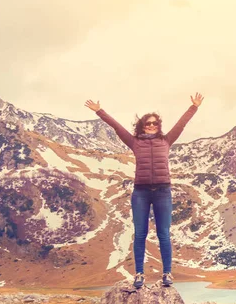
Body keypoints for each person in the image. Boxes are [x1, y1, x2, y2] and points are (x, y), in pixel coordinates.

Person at [85, 93, 204, 288]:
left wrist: (194, 107)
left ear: (159, 126)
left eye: (154, 123)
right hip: (140, 192)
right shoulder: (134, 142)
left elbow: (181, 124)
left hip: (163, 191)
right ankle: (139, 274)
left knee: (163, 234)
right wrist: (100, 111)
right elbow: (116, 126)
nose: (151, 126)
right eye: (148, 123)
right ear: (141, 126)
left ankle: (167, 274)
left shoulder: (166, 140)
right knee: (140, 233)